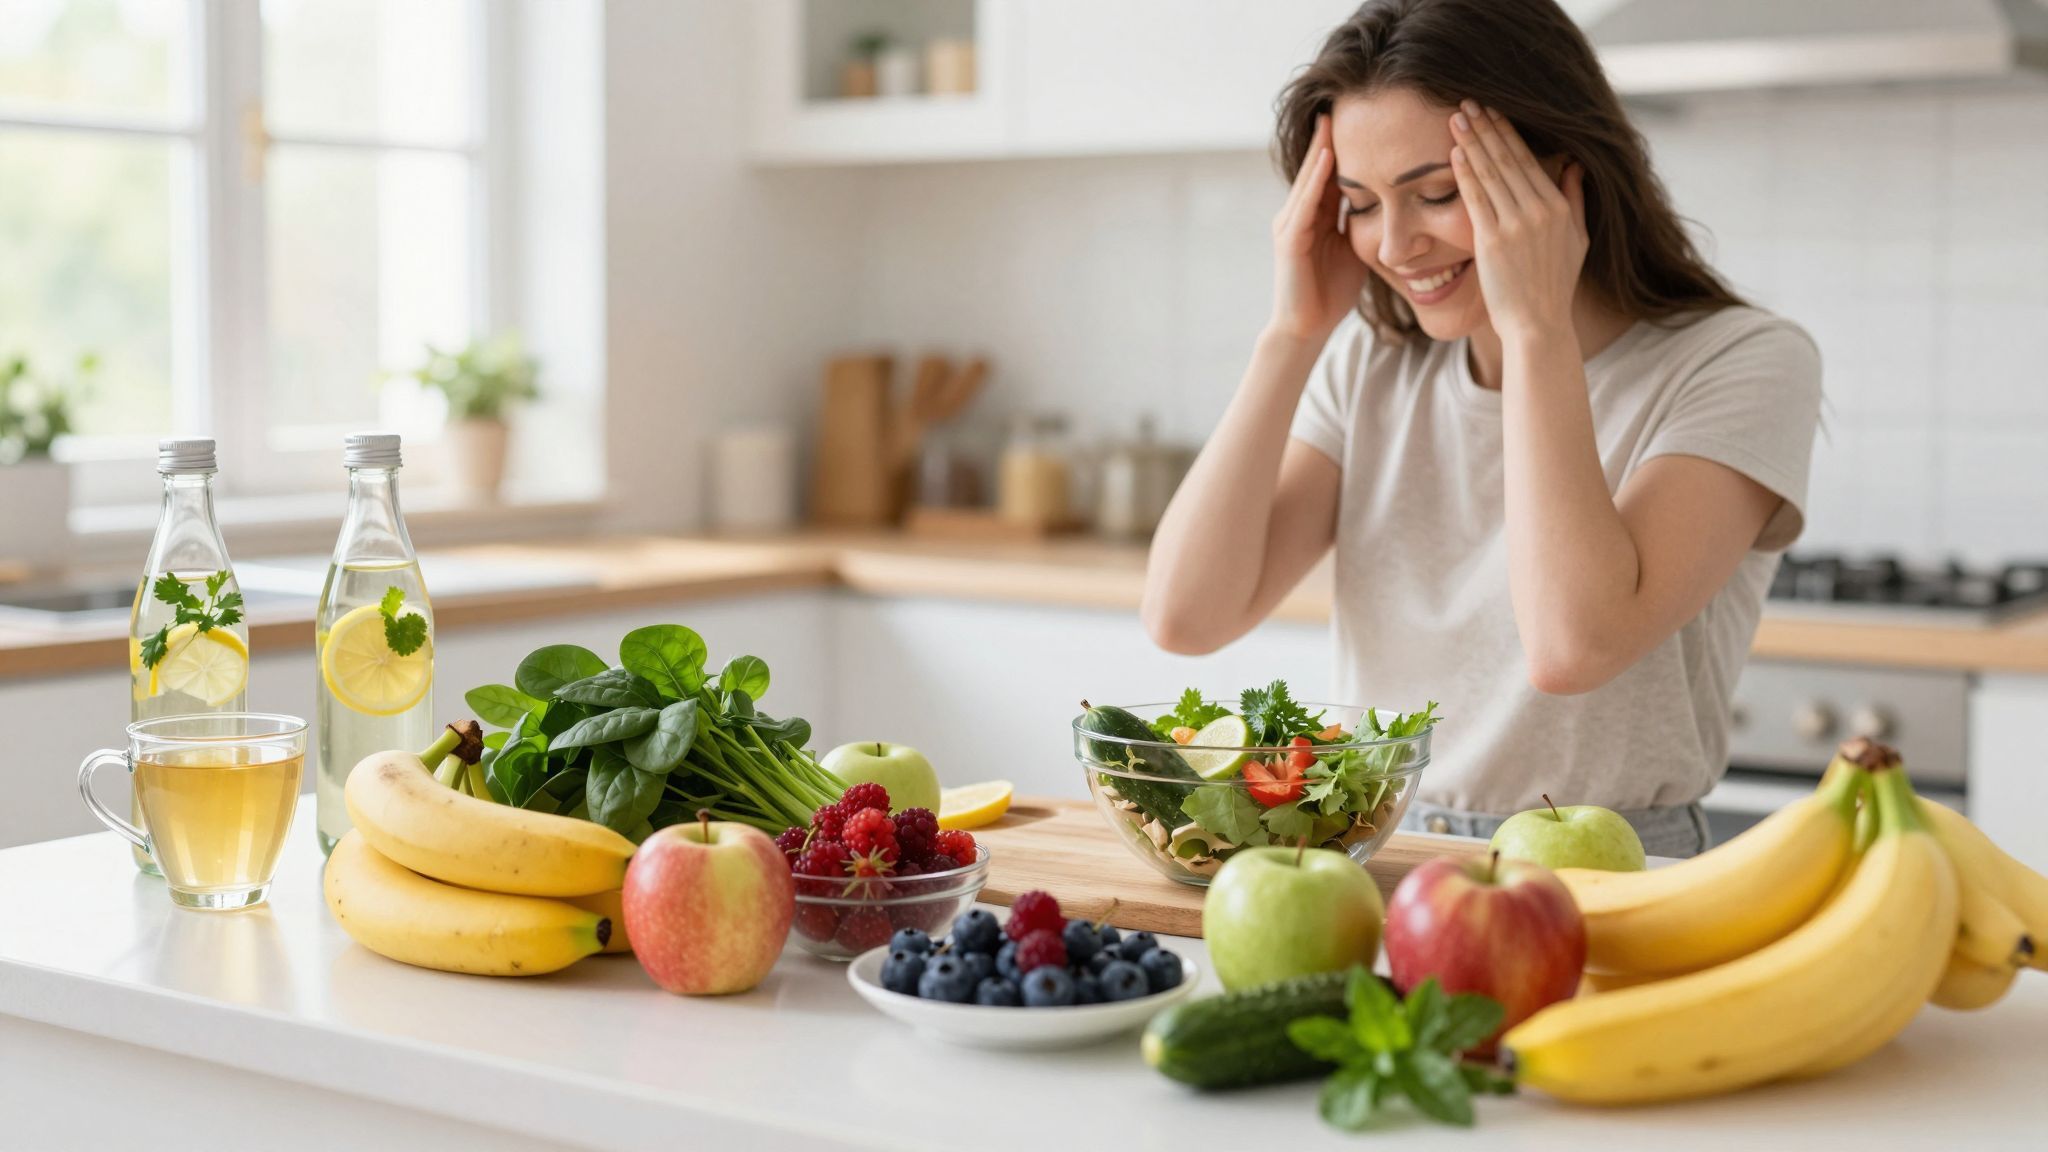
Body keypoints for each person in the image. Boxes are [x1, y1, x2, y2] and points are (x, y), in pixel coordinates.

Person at [1141, 0, 1822, 857]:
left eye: (1437, 193)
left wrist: (1536, 329)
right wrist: (1292, 337)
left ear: (1561, 179)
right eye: (1359, 203)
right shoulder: (1369, 367)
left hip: (1612, 856)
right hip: (1373, 846)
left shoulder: (1740, 361)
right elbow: (1185, 616)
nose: (1395, 244)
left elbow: (1572, 646)